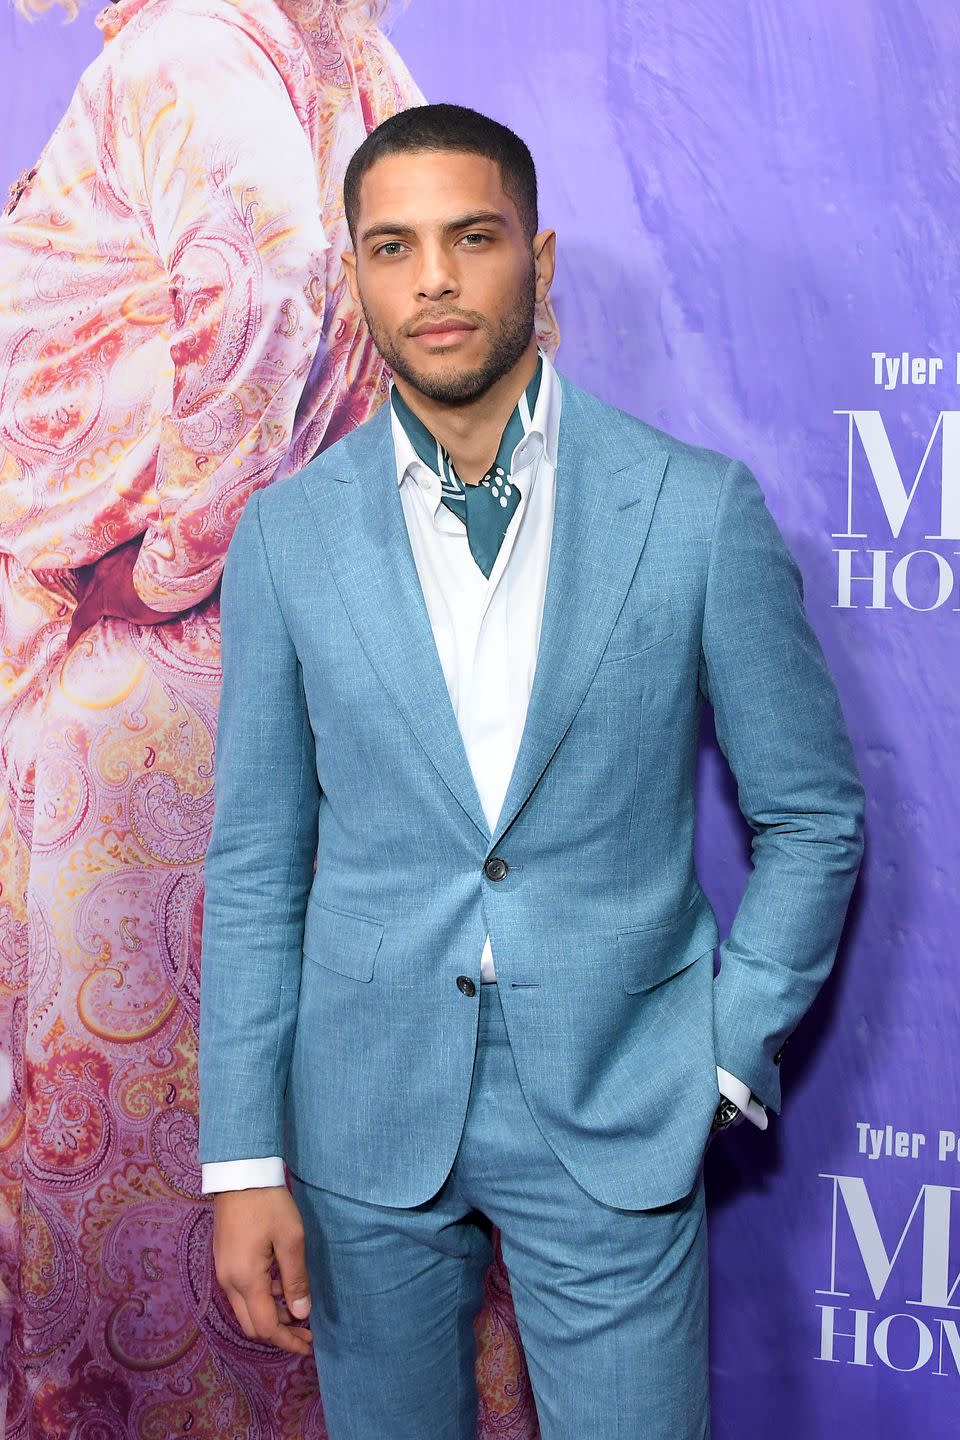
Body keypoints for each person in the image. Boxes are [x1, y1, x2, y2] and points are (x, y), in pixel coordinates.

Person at [198, 103, 865, 1439]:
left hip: (623, 1089)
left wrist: (723, 1059)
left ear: (540, 260)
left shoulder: (693, 508)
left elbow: (813, 815)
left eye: (472, 238)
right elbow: (259, 861)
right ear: (357, 276)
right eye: (392, 247)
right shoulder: (283, 538)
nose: (433, 279)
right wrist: (242, 1156)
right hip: (361, 1106)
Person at [0, 0, 451, 1430]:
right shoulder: (354, 57)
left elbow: (262, 282)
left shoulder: (187, 42)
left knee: (131, 1153)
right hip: (305, 661)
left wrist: (179, 551)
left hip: (134, 691)